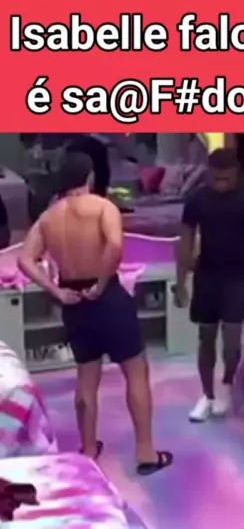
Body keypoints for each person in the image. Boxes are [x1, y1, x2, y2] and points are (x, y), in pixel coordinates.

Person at [18, 153, 172, 475]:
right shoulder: (103, 207)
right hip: (107, 296)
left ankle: (88, 449)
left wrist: (57, 291)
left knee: (86, 377)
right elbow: (114, 246)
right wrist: (101, 284)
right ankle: (146, 451)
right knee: (136, 371)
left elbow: (25, 260)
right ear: (89, 177)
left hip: (74, 302)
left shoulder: (48, 217)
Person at [174, 148, 244, 422]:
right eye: (215, 178)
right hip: (206, 275)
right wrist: (180, 282)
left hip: (239, 276)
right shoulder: (197, 200)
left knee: (231, 341)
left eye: (226, 179)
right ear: (208, 173)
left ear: (236, 175)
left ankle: (227, 384)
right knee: (205, 338)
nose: (220, 184)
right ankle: (206, 395)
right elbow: (185, 240)